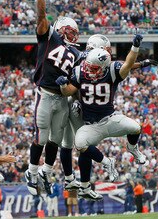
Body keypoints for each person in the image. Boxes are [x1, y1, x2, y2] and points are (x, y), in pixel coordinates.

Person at [55, 34, 145, 201]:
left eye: (94, 68)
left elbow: (127, 65)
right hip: (89, 122)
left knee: (136, 127)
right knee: (79, 144)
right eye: (89, 66)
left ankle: (133, 149)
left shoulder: (112, 69)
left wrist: (135, 47)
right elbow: (69, 91)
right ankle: (105, 164)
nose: (90, 70)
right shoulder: (80, 69)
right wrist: (62, 86)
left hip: (110, 118)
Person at [25, 0, 81, 197]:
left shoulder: (77, 53)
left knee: (55, 139)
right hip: (46, 94)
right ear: (60, 28)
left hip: (62, 98)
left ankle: (45, 172)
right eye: (70, 30)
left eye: (75, 32)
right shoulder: (50, 38)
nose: (73, 35)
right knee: (41, 136)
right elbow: (41, 17)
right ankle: (31, 171)